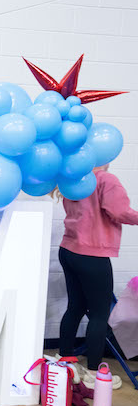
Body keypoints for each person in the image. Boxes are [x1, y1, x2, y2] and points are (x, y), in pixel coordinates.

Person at [56, 164, 138, 390]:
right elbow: (119, 212)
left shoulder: (73, 177)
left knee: (75, 307)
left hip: (69, 249)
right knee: (100, 314)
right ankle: (93, 373)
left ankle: (66, 361)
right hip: (92, 253)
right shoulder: (105, 180)